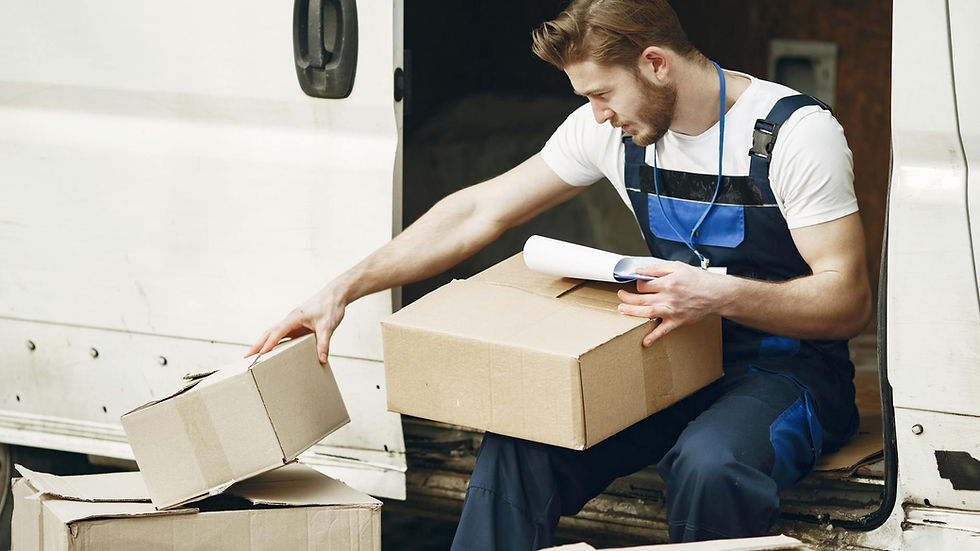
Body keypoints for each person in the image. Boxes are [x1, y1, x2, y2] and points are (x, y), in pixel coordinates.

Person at [247, 0, 871, 548]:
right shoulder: (612, 130)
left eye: (602, 94)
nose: (596, 115)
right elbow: (476, 211)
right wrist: (341, 290)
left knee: (708, 465)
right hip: (669, 353)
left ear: (655, 64)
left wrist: (715, 294)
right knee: (521, 444)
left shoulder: (794, 134)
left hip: (790, 371)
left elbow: (847, 300)